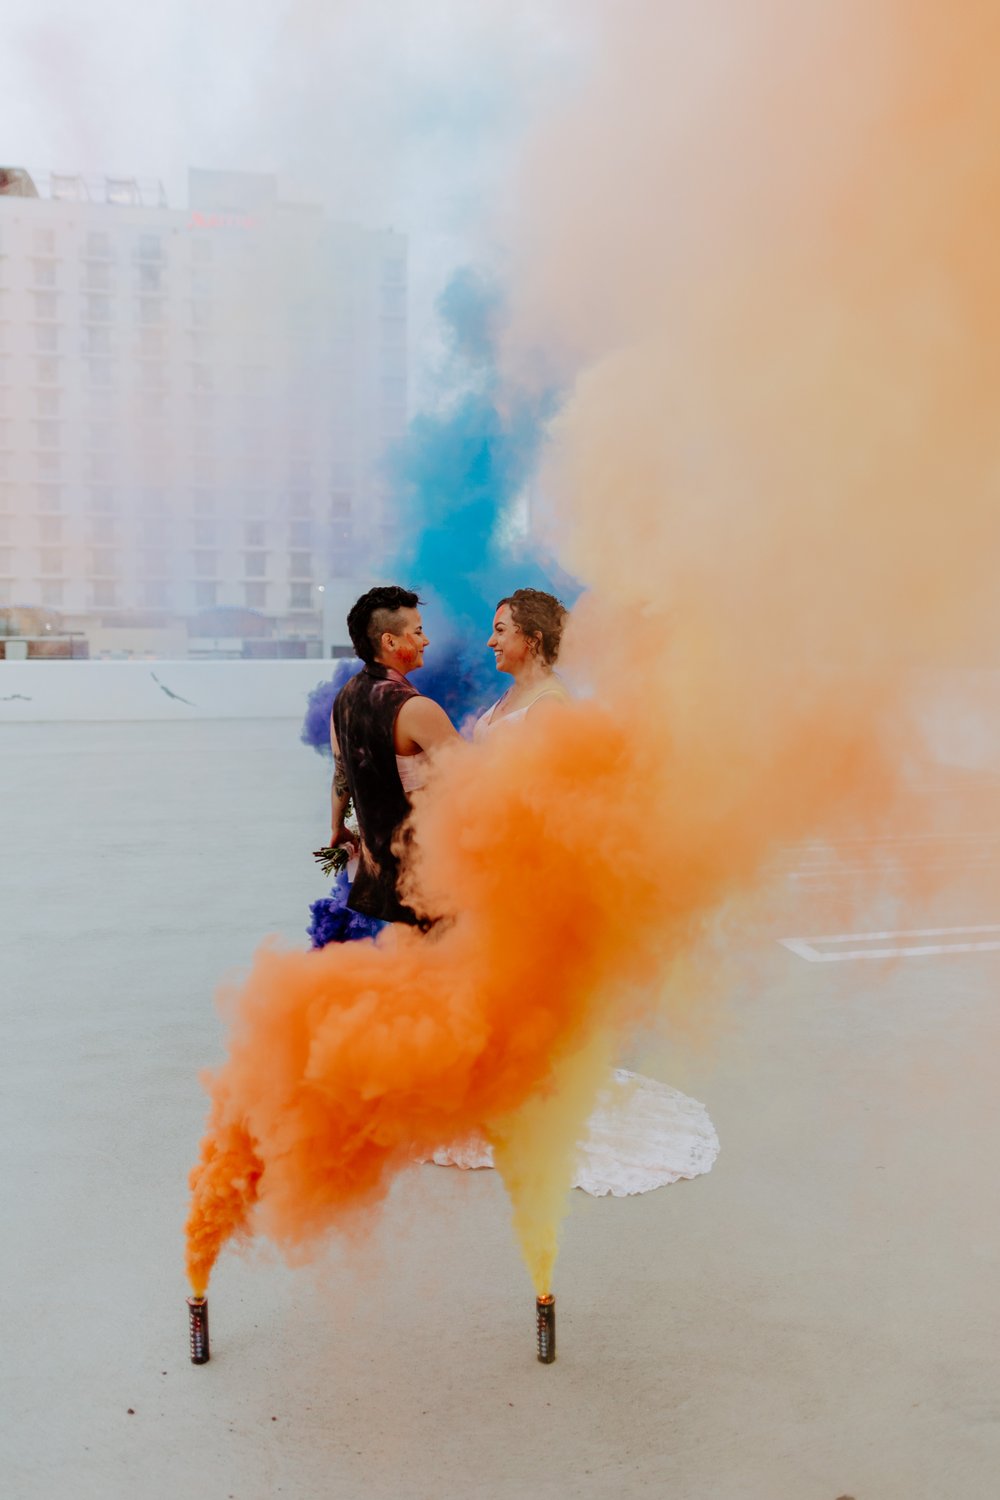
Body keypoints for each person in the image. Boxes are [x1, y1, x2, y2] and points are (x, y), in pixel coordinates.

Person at [426, 586, 721, 1197]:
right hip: (488, 860)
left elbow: (559, 803)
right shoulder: (512, 695)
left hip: (524, 866)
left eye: (501, 630)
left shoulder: (553, 707)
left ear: (531, 638)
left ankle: (528, 1101)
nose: (490, 640)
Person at [329, 585, 458, 926]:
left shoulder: (344, 700)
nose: (425, 640)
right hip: (429, 877)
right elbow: (475, 784)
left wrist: (337, 826)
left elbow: (342, 769)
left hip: (381, 880)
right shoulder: (416, 709)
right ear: (389, 642)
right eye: (417, 632)